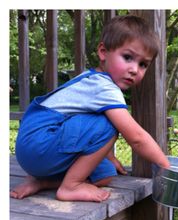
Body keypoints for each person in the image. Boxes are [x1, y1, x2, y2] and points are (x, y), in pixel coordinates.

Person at [10, 15, 169, 202]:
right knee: (111, 125)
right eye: (127, 57)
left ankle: (42, 182)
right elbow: (136, 138)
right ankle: (70, 186)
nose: (135, 69)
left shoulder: (92, 79)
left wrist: (108, 156)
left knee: (105, 174)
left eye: (143, 64)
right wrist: (165, 165)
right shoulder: (104, 87)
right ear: (103, 52)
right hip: (39, 143)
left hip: (36, 150)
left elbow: (84, 124)